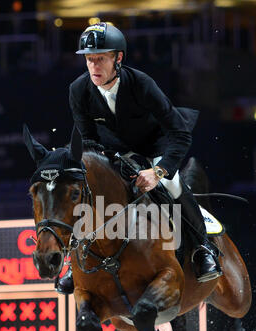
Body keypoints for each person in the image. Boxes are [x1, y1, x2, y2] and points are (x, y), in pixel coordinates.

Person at [57, 22, 222, 294]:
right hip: (113, 153)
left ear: (118, 58)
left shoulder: (141, 83)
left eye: (100, 59)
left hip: (155, 146)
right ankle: (77, 264)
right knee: (88, 190)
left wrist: (158, 172)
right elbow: (87, 140)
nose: (94, 67)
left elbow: (180, 133)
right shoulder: (78, 90)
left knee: (173, 185)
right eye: (89, 60)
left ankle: (203, 249)